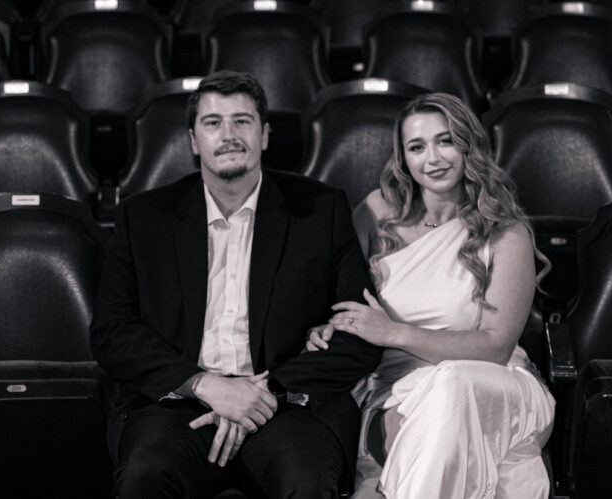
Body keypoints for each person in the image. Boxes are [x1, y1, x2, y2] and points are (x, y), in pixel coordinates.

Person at [91, 70, 382, 499]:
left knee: (309, 485)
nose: (228, 134)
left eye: (242, 121)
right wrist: (206, 386)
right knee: (145, 477)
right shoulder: (144, 217)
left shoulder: (320, 211)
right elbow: (111, 333)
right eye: (213, 123)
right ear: (193, 140)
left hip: (286, 405)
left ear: (264, 134)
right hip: (179, 404)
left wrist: (265, 391)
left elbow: (360, 336)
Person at [306, 92, 556, 499]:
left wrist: (393, 333)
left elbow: (494, 347)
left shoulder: (507, 232)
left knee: (453, 384)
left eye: (446, 141)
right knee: (442, 411)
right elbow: (336, 298)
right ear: (403, 158)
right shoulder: (374, 214)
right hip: (395, 390)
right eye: (417, 147)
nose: (434, 158)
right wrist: (327, 325)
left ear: (467, 145)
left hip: (495, 384)